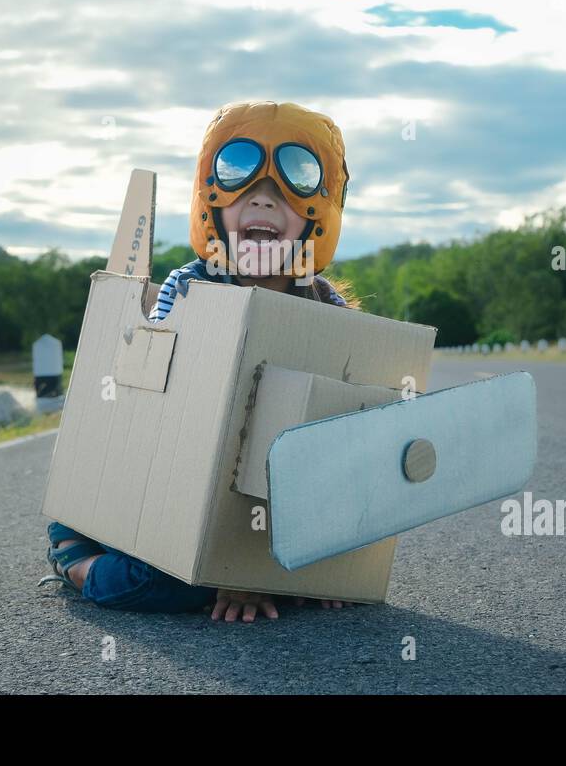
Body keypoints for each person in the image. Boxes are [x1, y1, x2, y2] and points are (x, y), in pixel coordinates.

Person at [40, 101, 359, 623]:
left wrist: (307, 559)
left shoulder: (325, 307)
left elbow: (340, 429)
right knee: (160, 585)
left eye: (282, 199)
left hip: (264, 501)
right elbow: (166, 414)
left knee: (318, 577)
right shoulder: (190, 287)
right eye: (249, 197)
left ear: (317, 214)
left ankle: (264, 569)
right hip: (170, 480)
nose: (263, 206)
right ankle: (74, 554)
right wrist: (230, 567)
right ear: (212, 206)